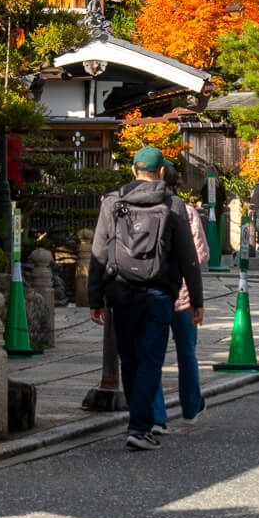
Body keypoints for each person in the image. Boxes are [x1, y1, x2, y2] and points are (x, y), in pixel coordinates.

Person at [89, 145, 204, 451]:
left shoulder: (112, 202)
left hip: (120, 290)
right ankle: (140, 426)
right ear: (161, 171)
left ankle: (137, 422)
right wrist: (196, 299)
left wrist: (94, 297)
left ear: (132, 170)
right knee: (151, 360)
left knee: (129, 359)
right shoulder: (172, 204)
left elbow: (99, 252)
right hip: (158, 292)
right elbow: (187, 255)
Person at [151, 164, 209, 434]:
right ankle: (190, 406)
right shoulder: (187, 211)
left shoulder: (144, 209)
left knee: (152, 357)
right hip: (184, 295)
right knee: (187, 353)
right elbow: (200, 255)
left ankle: (156, 415)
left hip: (155, 291)